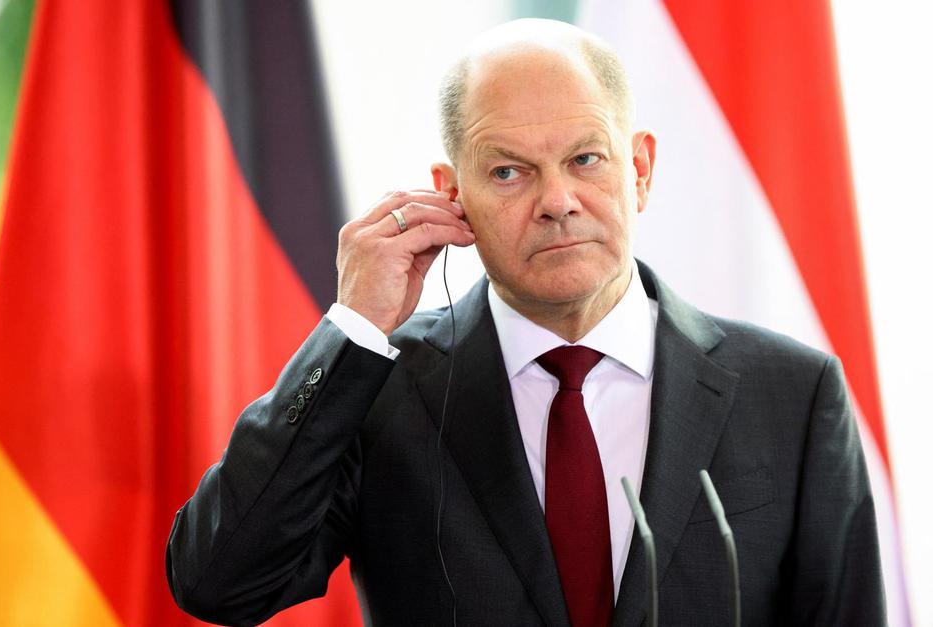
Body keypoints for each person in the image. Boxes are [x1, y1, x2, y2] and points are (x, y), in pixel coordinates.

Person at [166, 19, 885, 627]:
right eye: (509, 172)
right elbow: (221, 582)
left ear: (639, 170)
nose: (557, 200)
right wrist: (353, 325)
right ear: (451, 195)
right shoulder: (380, 388)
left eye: (586, 159)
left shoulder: (795, 394)